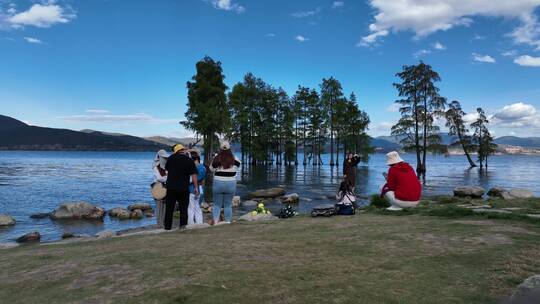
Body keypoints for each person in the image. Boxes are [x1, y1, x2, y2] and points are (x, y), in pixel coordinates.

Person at [164, 144, 198, 230]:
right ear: (183, 150)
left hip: (171, 187)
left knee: (169, 209)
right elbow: (194, 175)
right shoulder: (189, 160)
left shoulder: (171, 158)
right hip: (183, 188)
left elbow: (166, 170)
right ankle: (182, 227)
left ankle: (167, 228)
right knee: (183, 209)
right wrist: (196, 187)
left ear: (175, 151)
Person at [210, 141, 240, 224]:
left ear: (220, 149)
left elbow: (211, 169)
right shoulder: (235, 158)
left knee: (216, 205)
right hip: (231, 184)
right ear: (229, 149)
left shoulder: (216, 158)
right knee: (228, 205)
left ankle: (216, 222)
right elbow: (237, 167)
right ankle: (227, 222)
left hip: (218, 183)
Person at [187, 149, 206, 225]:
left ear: (196, 160)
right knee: (197, 208)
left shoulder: (199, 168)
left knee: (191, 208)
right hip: (200, 189)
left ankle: (191, 223)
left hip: (193, 190)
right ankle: (199, 223)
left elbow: (195, 179)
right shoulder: (203, 167)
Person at [152, 149, 169, 228]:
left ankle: (164, 224)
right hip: (158, 188)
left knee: (165, 207)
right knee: (159, 207)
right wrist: (168, 177)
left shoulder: (165, 167)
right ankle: (159, 225)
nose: (165, 159)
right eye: (164, 158)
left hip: (165, 188)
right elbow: (159, 178)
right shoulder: (156, 167)